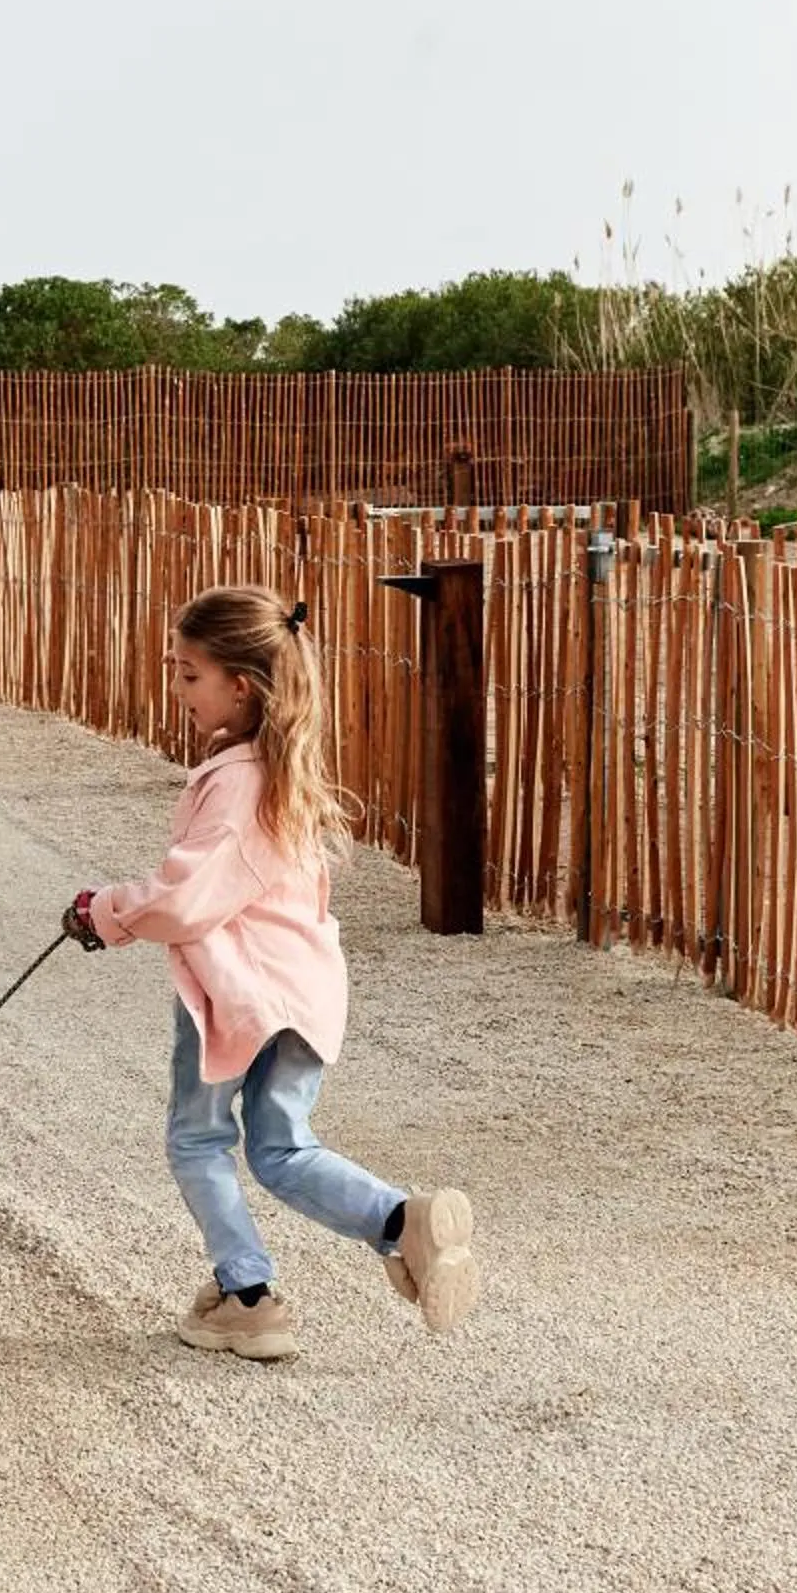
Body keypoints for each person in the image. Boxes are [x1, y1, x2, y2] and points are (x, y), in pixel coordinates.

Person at [62, 584, 479, 1362]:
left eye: (189, 675)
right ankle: (399, 1221)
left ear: (241, 686)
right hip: (304, 992)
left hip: (237, 994)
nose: (178, 690)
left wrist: (106, 911)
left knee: (198, 1140)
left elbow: (188, 899)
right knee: (282, 1147)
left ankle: (247, 1297)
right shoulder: (284, 774)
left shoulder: (237, 781)